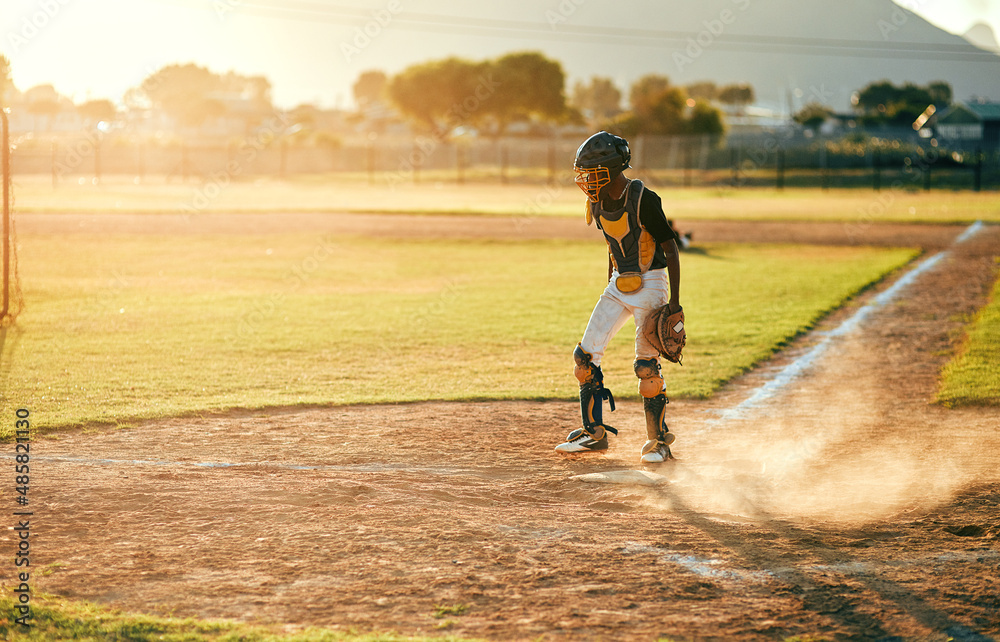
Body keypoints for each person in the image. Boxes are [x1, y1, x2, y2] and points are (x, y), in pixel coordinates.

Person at [555, 131, 682, 463]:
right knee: (584, 358)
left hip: (652, 284)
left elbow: (670, 248)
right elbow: (612, 248)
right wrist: (608, 286)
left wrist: (675, 303)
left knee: (646, 368)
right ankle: (593, 433)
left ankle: (659, 443)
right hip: (617, 284)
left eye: (591, 172)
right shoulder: (598, 201)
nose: (585, 180)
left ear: (610, 168)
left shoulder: (643, 198)